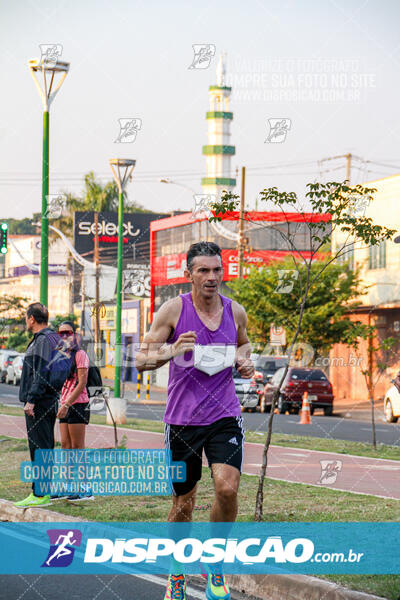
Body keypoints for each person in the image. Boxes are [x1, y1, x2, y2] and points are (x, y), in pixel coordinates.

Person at [135, 241, 254, 600]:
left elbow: (244, 345)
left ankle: (214, 561)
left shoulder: (236, 312)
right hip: (183, 421)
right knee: (183, 504)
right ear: (189, 274)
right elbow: (141, 360)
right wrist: (172, 351)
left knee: (227, 488)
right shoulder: (173, 310)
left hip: (225, 415)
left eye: (217, 270)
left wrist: (245, 362)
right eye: (203, 270)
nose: (212, 277)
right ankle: (176, 569)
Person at [15, 303, 60, 508]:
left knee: (39, 448)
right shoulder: (53, 338)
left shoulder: (42, 340)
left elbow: (42, 372)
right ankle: (42, 492)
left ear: (32, 318)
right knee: (44, 447)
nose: (26, 321)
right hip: (48, 400)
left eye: (26, 317)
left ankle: (40, 494)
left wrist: (32, 399)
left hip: (40, 403)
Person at [56, 321, 93, 501]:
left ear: (74, 334)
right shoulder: (61, 356)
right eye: (61, 333)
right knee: (65, 446)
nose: (64, 336)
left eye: (67, 333)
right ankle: (68, 485)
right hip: (64, 404)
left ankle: (86, 488)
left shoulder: (81, 354)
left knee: (78, 447)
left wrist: (66, 405)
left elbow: (82, 383)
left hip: (77, 404)